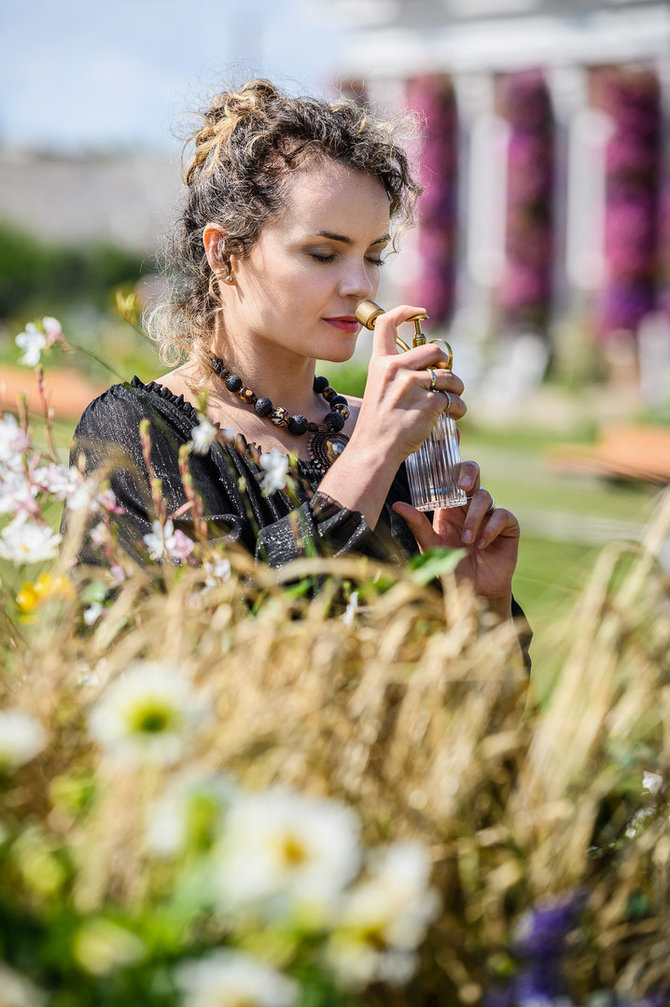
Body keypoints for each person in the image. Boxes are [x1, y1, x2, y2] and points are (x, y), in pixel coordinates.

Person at [64, 79, 528, 655]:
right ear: (223, 252)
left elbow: (482, 719)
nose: (361, 285)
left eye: (374, 255)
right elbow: (212, 652)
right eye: (323, 254)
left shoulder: (394, 438)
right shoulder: (135, 431)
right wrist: (370, 455)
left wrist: (482, 608)